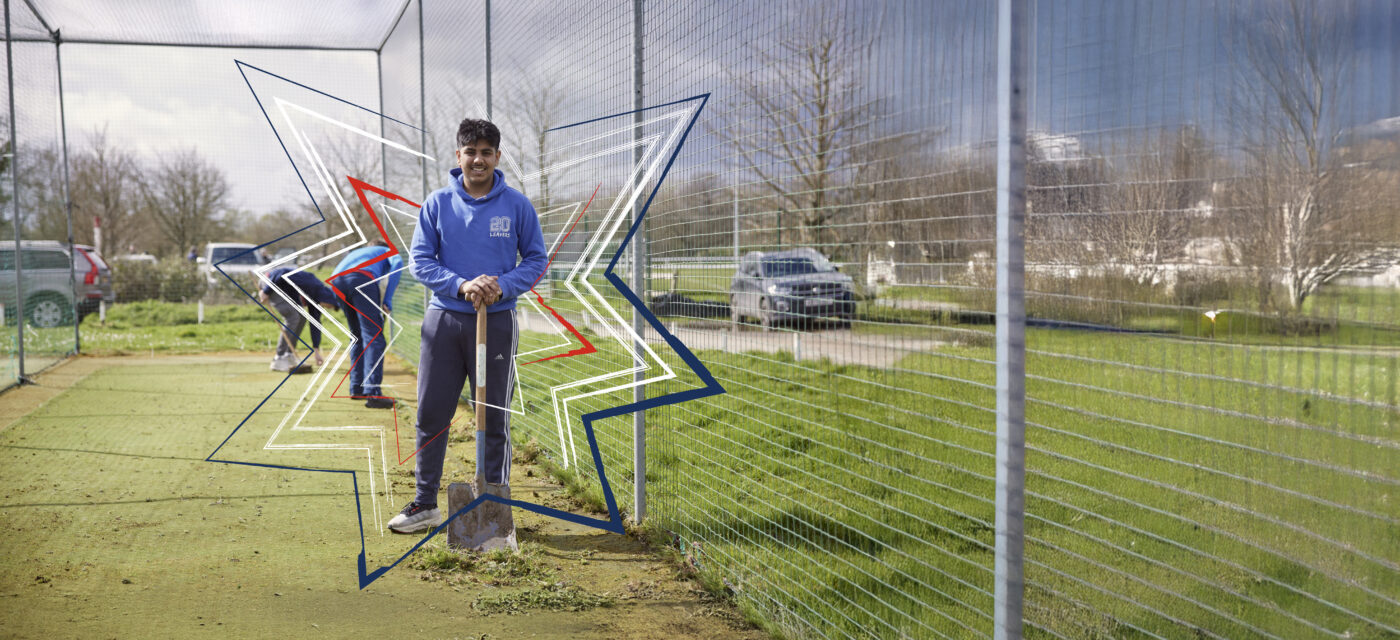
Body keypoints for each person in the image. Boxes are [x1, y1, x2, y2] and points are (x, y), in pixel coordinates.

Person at [386, 118, 547, 534]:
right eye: (470, 152)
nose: (478, 160)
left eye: (486, 152)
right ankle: (425, 504)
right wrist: (462, 284)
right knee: (431, 413)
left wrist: (501, 286)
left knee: (492, 417)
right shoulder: (437, 203)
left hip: (496, 322)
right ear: (458, 156)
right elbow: (420, 261)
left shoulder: (517, 206)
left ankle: (493, 508)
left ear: (497, 157)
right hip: (443, 320)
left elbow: (536, 259)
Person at [328, 240, 403, 410]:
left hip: (337, 281)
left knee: (357, 336)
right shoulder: (388, 251)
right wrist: (388, 300)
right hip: (361, 279)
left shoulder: (360, 253)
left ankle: (357, 388)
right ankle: (373, 393)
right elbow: (397, 265)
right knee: (375, 338)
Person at [259, 266, 340, 373]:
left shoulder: (316, 301)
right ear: (329, 298)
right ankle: (279, 358)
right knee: (293, 316)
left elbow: (315, 324)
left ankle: (289, 355)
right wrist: (266, 291)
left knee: (301, 318)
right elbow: (281, 272)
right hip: (271, 281)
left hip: (283, 289)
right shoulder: (312, 283)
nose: (328, 308)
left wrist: (316, 351)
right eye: (331, 306)